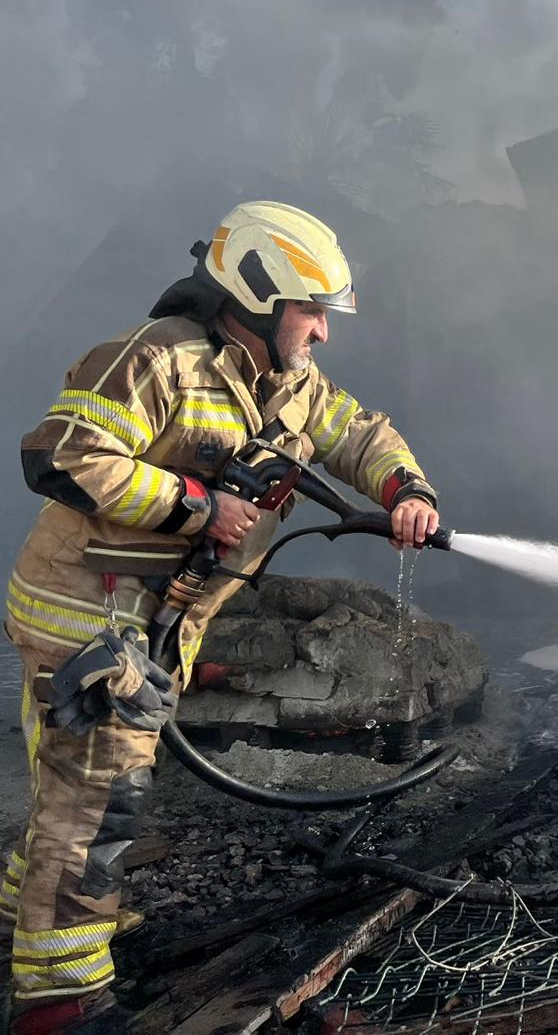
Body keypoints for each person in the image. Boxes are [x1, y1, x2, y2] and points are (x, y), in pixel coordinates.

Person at [0, 201, 440, 1033]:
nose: (322, 334)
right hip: (86, 612)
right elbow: (60, 456)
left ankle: (37, 909)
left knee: (80, 783)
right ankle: (58, 999)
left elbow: (354, 431)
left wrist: (403, 489)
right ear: (264, 297)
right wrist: (196, 508)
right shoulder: (156, 360)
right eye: (313, 312)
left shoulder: (285, 382)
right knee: (98, 796)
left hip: (153, 618)